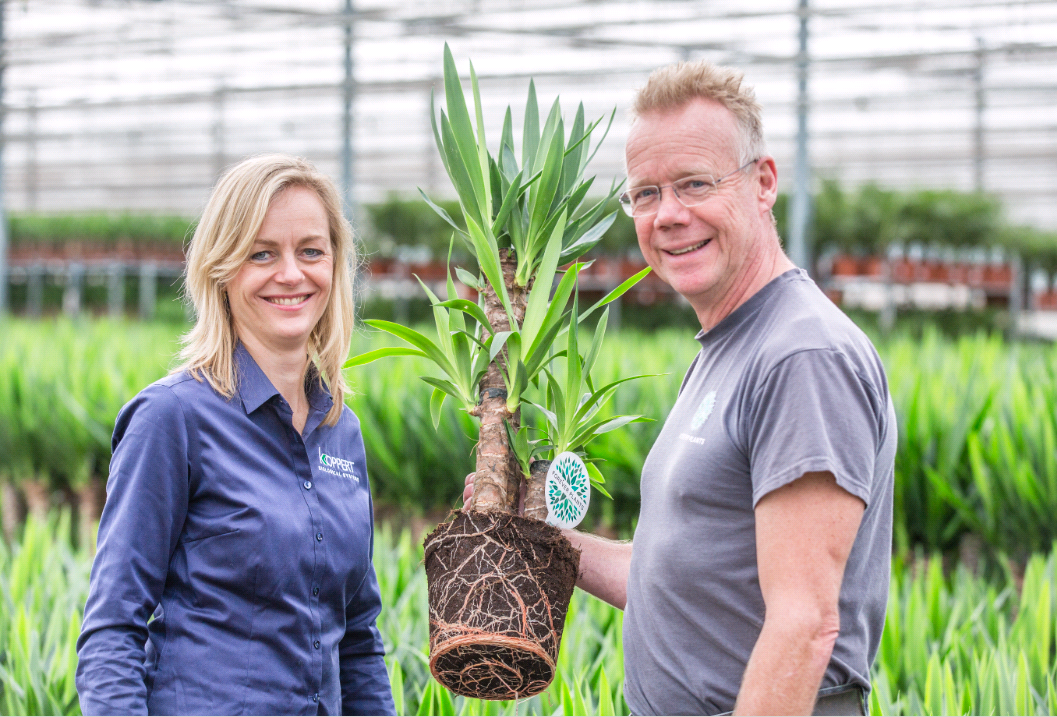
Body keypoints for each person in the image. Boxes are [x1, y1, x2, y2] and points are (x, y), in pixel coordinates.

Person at [466, 61, 894, 716]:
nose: (667, 215)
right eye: (644, 193)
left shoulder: (798, 356)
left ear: (762, 183)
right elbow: (682, 578)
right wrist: (539, 538)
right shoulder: (729, 343)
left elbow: (804, 625)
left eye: (694, 183)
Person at [76, 154, 394, 715]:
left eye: (311, 251)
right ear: (222, 270)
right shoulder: (172, 419)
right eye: (262, 253)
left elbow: (359, 641)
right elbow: (111, 633)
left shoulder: (341, 430)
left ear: (336, 267)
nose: (292, 274)